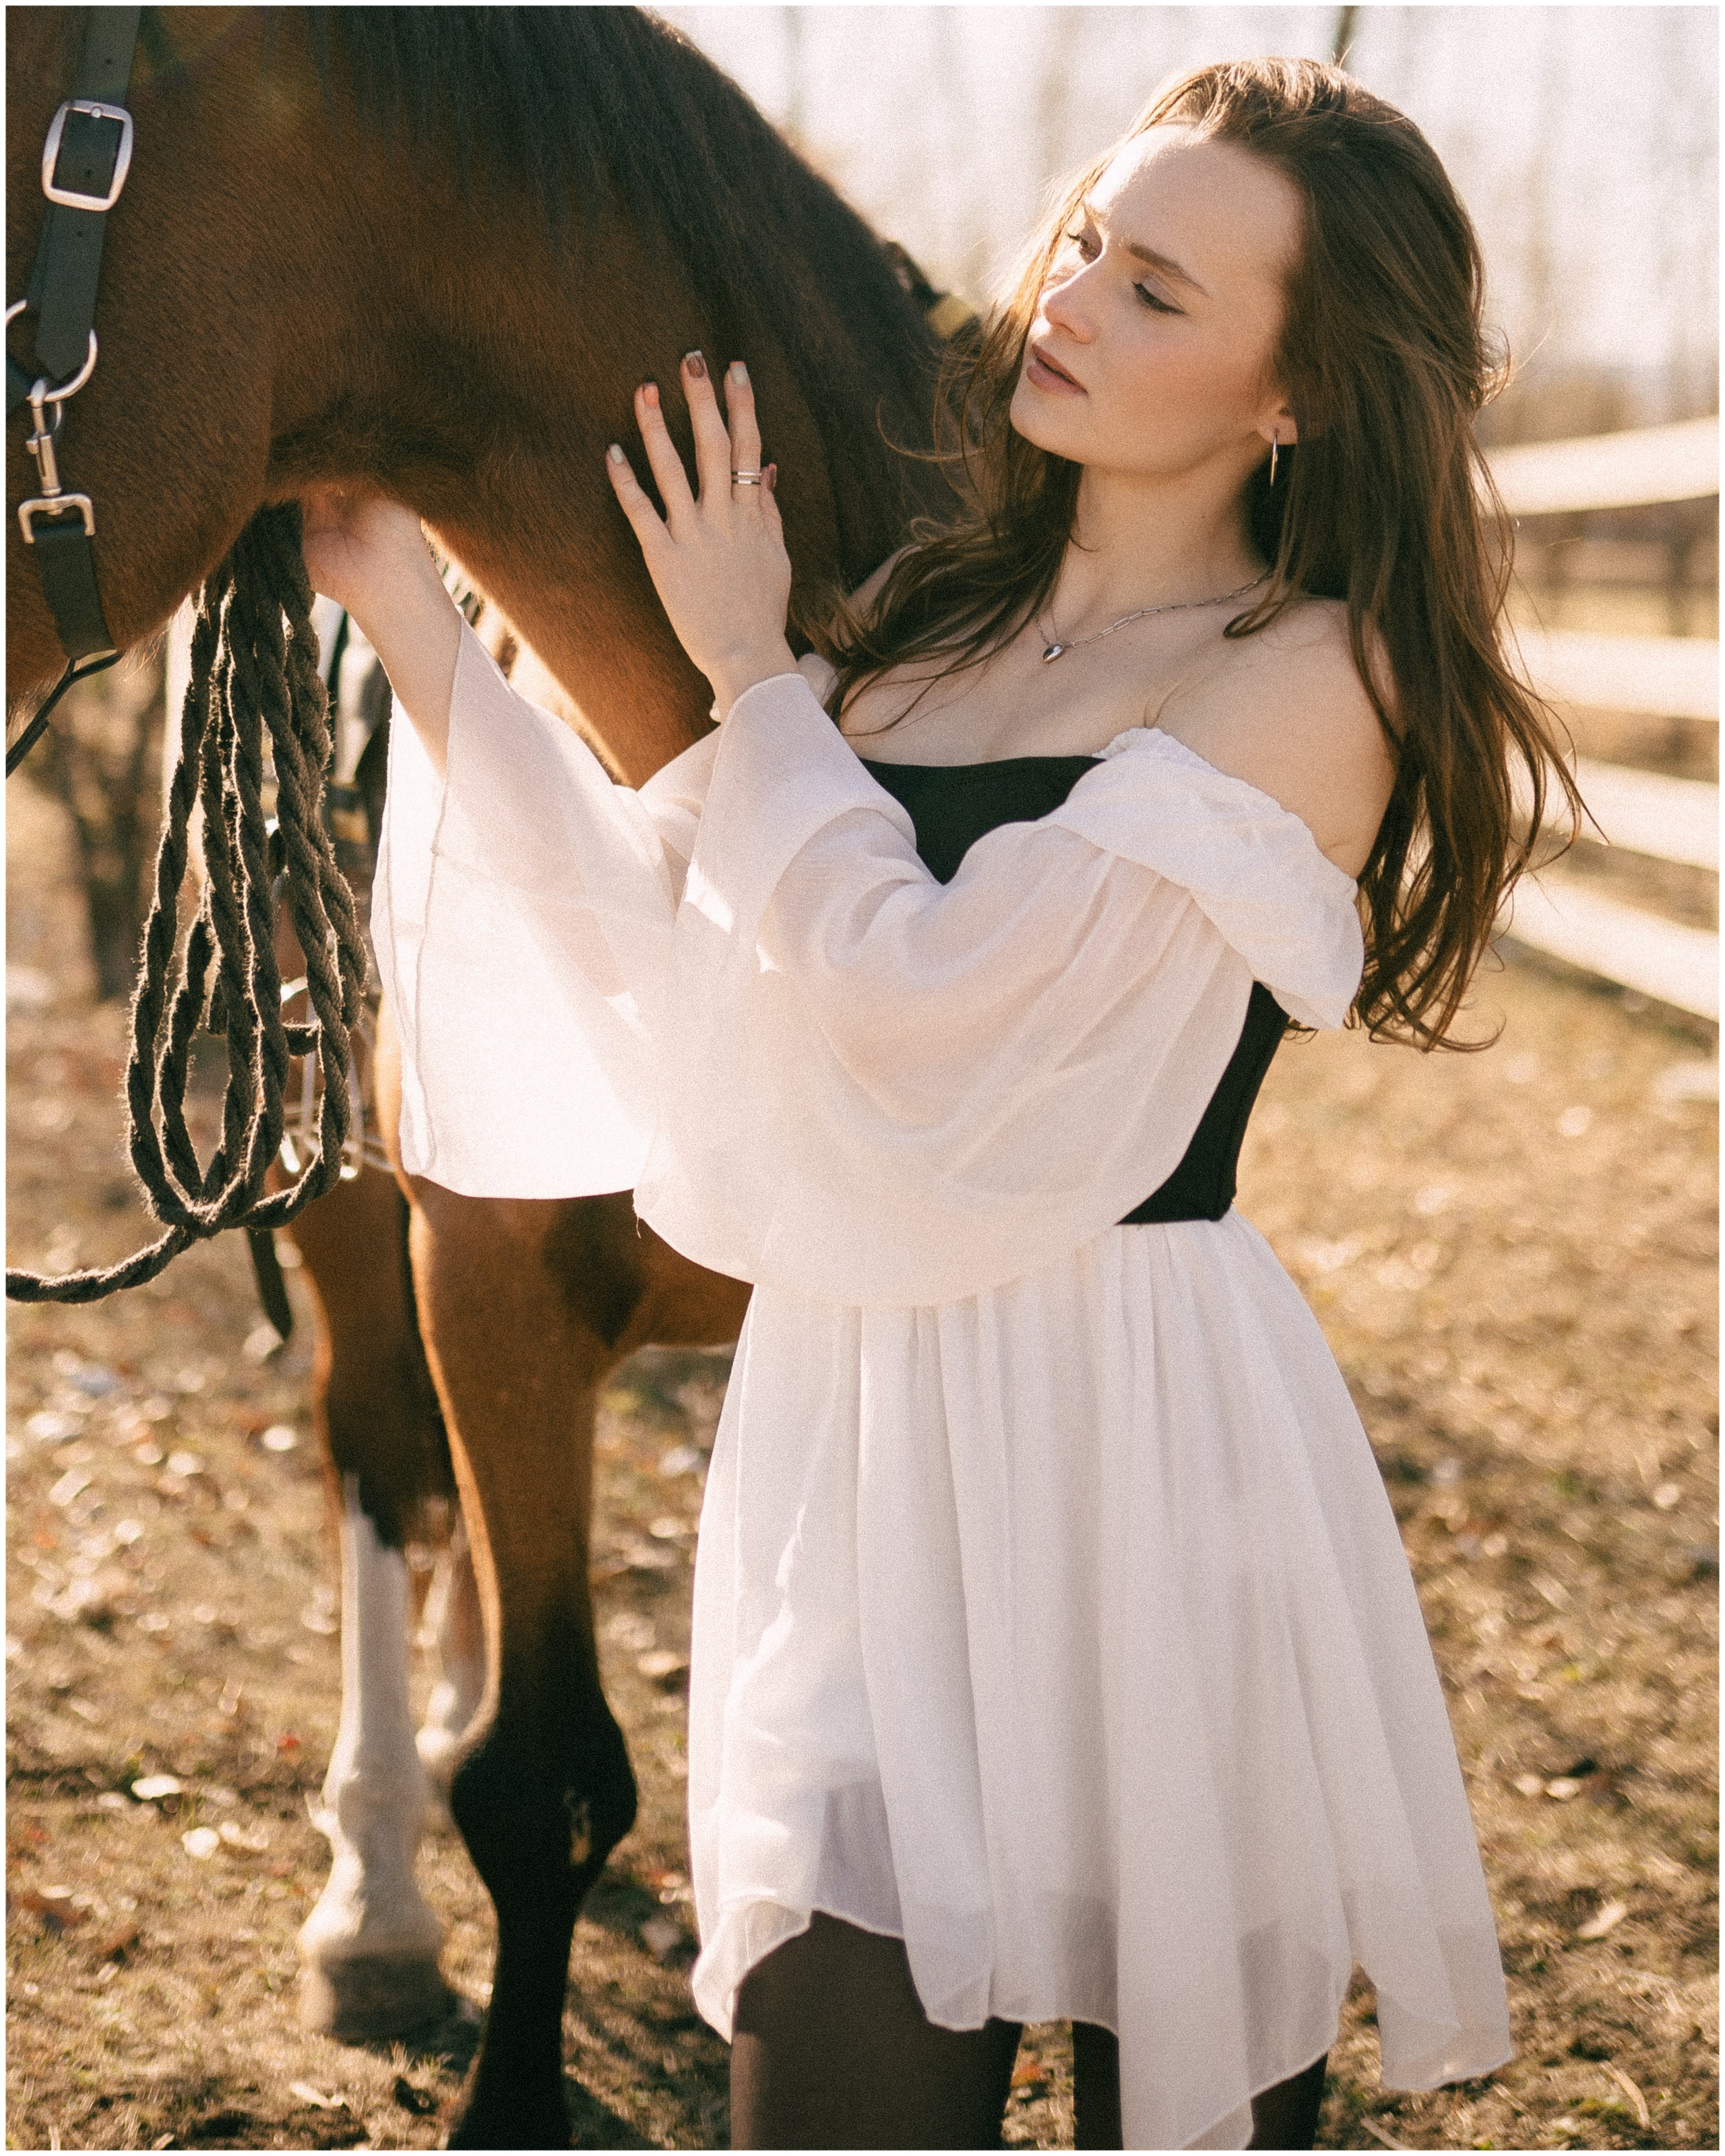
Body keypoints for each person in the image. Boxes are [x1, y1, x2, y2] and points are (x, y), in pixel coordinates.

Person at [305, 55, 1574, 2153]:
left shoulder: (1300, 674)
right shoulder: (932, 641)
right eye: (1088, 237)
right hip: (868, 1466)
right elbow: (692, 946)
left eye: (1160, 289)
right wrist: (415, 619)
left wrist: (754, 670)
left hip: (1144, 1463)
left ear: (1302, 392)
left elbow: (928, 998)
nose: (1070, 296)